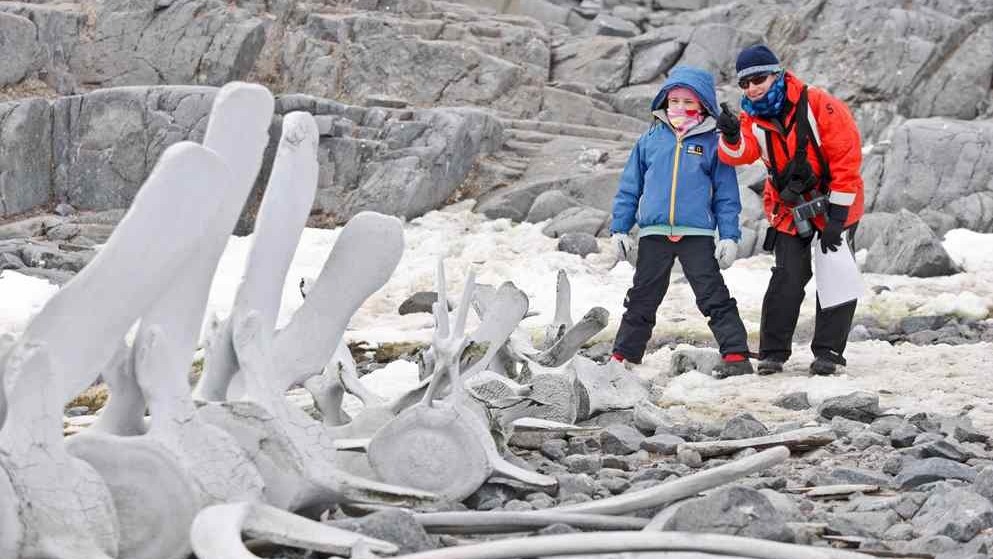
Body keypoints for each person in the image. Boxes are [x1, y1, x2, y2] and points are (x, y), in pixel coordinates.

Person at [716, 44, 864, 376]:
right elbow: (739, 154)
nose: (752, 88)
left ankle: (828, 353)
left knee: (835, 273)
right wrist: (730, 136)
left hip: (835, 199)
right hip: (789, 207)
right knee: (787, 276)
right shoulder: (751, 118)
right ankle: (772, 353)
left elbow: (847, 159)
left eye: (759, 79)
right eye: (745, 83)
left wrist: (838, 218)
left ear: (777, 74)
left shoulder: (820, 104)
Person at [609, 65, 753, 379]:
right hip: (654, 233)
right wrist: (619, 228)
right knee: (642, 296)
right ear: (665, 101)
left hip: (696, 233)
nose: (680, 107)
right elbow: (630, 188)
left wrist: (729, 236)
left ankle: (736, 354)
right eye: (674, 101)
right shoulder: (649, 140)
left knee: (712, 295)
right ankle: (623, 357)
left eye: (688, 102)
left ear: (703, 104)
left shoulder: (713, 142)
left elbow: (726, 195)